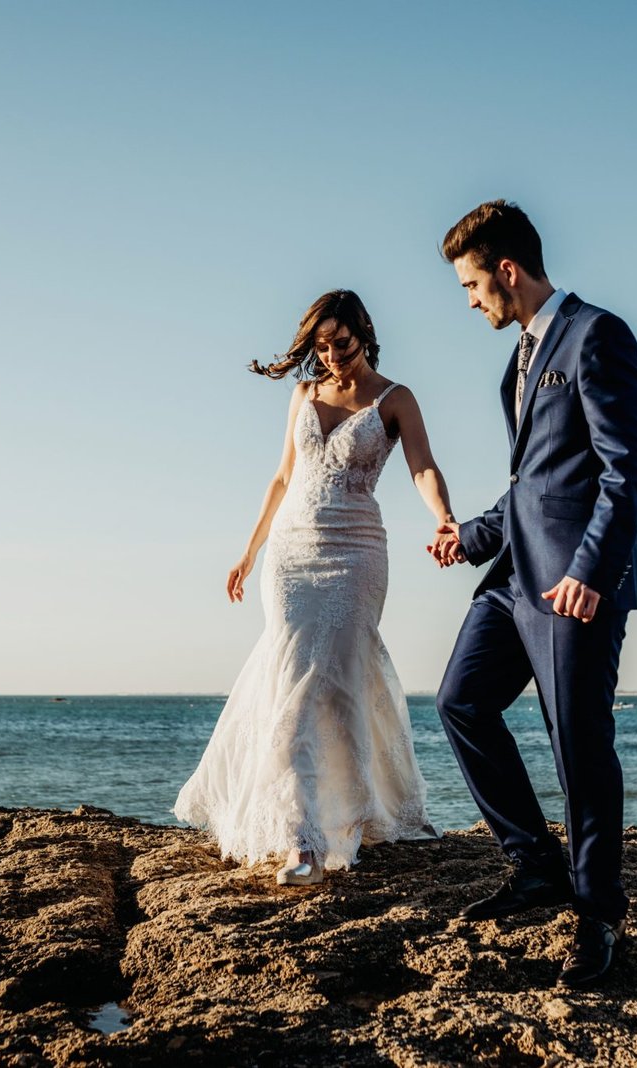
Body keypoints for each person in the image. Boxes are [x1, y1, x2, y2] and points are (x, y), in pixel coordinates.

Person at [430, 200, 637, 989]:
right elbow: (536, 483)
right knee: (460, 701)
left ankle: (597, 915)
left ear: (508, 271)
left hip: (572, 587)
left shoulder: (597, 335)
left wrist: (591, 573)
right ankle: (534, 866)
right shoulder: (517, 360)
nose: (469, 300)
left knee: (578, 745)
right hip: (512, 577)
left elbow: (626, 471)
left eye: (470, 284)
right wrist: (473, 537)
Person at [176, 289, 452, 886]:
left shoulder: (395, 399)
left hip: (356, 554)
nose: (331, 356)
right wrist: (249, 552)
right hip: (291, 554)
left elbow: (423, 467)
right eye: (321, 346)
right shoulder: (303, 394)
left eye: (342, 343)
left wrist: (443, 516)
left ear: (365, 332)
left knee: (337, 683)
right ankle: (300, 837)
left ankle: (346, 824)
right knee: (294, 680)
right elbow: (282, 477)